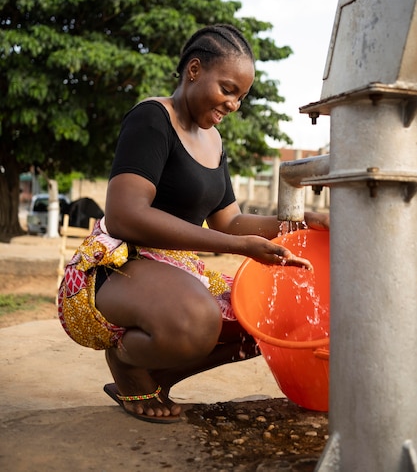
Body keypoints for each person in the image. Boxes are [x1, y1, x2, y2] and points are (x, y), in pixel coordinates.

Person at [58, 24, 329, 423]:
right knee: (198, 318)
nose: (234, 105)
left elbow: (231, 221)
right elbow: (125, 215)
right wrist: (239, 247)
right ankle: (128, 363)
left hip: (173, 273)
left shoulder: (214, 141)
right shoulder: (152, 119)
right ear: (195, 70)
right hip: (115, 269)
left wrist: (299, 220)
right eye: (228, 89)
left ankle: (158, 378)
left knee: (267, 317)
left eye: (242, 96)